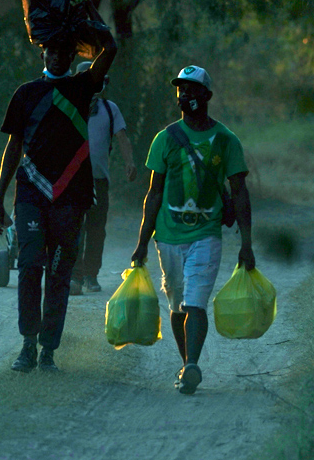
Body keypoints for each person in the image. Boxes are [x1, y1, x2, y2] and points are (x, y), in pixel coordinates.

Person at [0, 2, 117, 373]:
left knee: (60, 273)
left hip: (71, 198)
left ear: (71, 52)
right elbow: (12, 149)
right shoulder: (25, 93)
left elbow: (110, 50)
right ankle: (27, 345)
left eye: (65, 50)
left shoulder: (83, 86)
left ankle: (49, 350)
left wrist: (89, 15)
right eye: (52, 49)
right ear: (41, 50)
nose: (58, 56)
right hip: (29, 194)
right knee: (30, 265)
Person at [130, 65, 255, 395]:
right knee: (176, 307)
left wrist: (247, 243)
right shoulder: (165, 139)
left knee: (194, 304)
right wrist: (142, 242)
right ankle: (188, 365)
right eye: (180, 90)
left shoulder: (226, 140)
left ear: (207, 96)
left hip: (206, 236)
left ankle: (192, 365)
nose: (185, 95)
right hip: (167, 238)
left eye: (192, 90)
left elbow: (239, 191)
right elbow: (153, 193)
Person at [69, 60, 137, 295]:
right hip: (71, 180)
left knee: (96, 228)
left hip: (98, 179)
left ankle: (90, 275)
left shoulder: (110, 109)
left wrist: (130, 162)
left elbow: (122, 137)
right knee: (74, 227)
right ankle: (75, 277)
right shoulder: (68, 106)